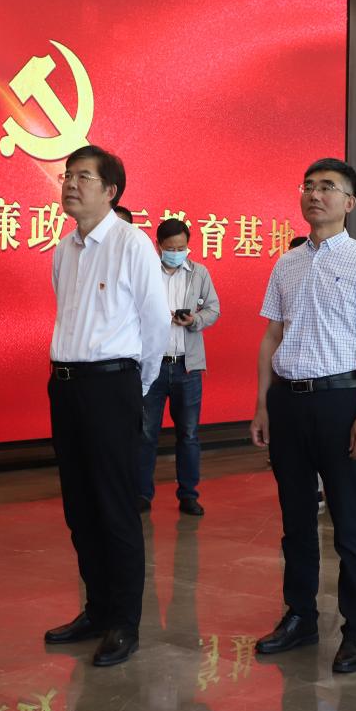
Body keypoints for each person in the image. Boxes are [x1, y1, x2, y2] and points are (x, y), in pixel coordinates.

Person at [250, 158, 356, 675]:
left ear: (349, 202)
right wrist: (263, 403)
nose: (314, 194)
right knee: (295, 520)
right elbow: (272, 336)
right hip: (288, 402)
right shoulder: (287, 263)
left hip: (339, 402)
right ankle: (300, 616)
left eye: (327, 187)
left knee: (349, 521)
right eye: (308, 185)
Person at [42, 146, 168, 667]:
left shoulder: (130, 243)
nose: (71, 184)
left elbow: (156, 324)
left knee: (115, 507)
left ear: (111, 191)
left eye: (84, 177)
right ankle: (95, 609)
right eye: (68, 176)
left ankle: (124, 622)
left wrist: (136, 387)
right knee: (79, 507)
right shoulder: (63, 249)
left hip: (112, 386)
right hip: (66, 385)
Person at [138, 218, 221, 516]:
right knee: (146, 434)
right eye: (170, 248)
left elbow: (213, 309)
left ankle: (188, 495)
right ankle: (141, 494)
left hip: (187, 367)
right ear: (158, 246)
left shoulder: (199, 272)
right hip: (152, 366)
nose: (176, 253)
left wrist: (194, 320)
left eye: (181, 247)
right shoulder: (146, 272)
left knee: (188, 434)